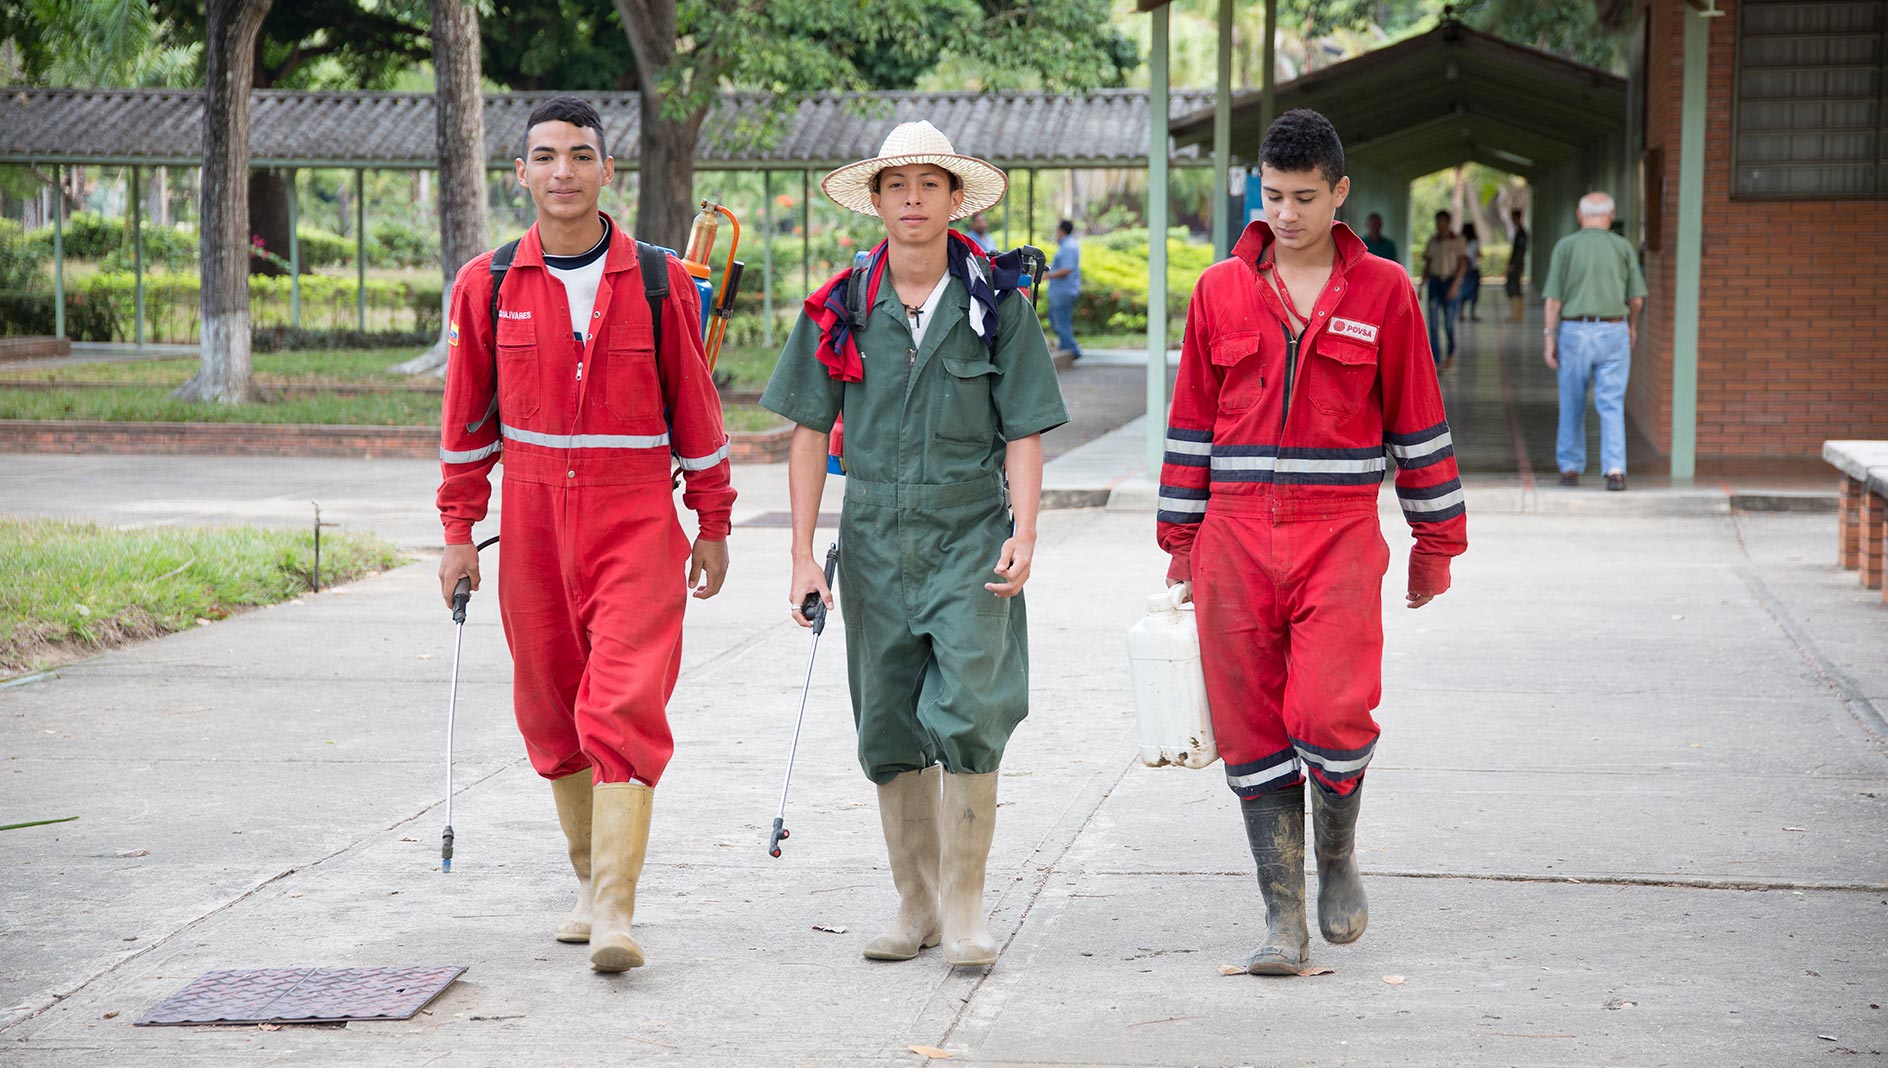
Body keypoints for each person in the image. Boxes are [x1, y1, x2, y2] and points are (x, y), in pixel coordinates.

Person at [1156, 109, 1466, 976]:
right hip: (1233, 537)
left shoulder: (1386, 293)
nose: (1284, 214)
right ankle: (1281, 917)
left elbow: (1419, 423)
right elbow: (1190, 424)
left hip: (1338, 534)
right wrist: (1180, 541)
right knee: (1251, 730)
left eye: (1303, 197)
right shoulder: (1220, 290)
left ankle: (1336, 856)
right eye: (1271, 195)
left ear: (1340, 195)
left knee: (1332, 713)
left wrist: (1433, 543)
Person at [434, 96, 735, 974]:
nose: (561, 170)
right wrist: (460, 533)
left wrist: (711, 522)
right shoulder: (486, 284)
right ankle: (585, 882)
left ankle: (614, 911)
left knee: (622, 703)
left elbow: (698, 413)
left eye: (579, 155)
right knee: (549, 711)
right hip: (528, 526)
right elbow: (464, 427)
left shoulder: (660, 280)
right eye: (544, 156)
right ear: (519, 174)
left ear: (610, 172)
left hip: (635, 516)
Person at [760, 120, 1069, 970]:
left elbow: (1028, 428)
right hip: (872, 542)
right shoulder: (842, 306)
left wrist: (1026, 532)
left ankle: (966, 910)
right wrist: (799, 555)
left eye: (928, 185)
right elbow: (805, 430)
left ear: (954, 198)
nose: (912, 201)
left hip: (970, 534)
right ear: (877, 201)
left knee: (971, 713)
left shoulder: (996, 302)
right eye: (896, 187)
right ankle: (917, 904)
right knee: (888, 723)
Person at [1542, 191, 1646, 492]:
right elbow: (1636, 298)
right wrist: (1632, 326)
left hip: (1574, 331)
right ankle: (1615, 470)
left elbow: (1553, 301)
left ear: (1579, 214)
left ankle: (1570, 468)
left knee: (1571, 401)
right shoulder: (1623, 247)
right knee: (1611, 403)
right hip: (1614, 329)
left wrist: (1550, 338)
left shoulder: (1566, 247)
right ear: (1611, 216)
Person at [1420, 211, 1467, 371]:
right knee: (1433, 324)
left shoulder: (1458, 240)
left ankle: (1450, 353)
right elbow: (1427, 264)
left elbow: (1462, 265)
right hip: (1434, 283)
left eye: (1442, 222)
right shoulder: (1433, 241)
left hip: (1450, 282)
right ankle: (1436, 359)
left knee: (1448, 323)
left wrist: (1455, 285)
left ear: (1448, 222)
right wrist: (1421, 285)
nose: (1439, 225)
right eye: (1437, 222)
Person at [1045, 219, 1082, 360]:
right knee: (1060, 320)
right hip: (1064, 290)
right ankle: (1067, 347)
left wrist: (1047, 276)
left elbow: (1066, 269)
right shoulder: (1068, 245)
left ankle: (1071, 349)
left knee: (1060, 321)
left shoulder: (1068, 247)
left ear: (1061, 230)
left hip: (1063, 290)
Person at [1504, 208, 1528, 318]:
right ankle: (1516, 313)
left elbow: (1520, 251)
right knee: (1514, 287)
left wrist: (1513, 265)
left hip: (1516, 265)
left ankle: (1517, 314)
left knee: (1514, 288)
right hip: (1516, 264)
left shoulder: (1522, 233)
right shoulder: (1519, 232)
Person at [1460, 222, 1483, 322]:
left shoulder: (1461, 242)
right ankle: (1472, 314)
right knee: (1474, 293)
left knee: (1463, 292)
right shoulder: (1475, 242)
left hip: (1464, 270)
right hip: (1473, 270)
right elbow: (1479, 255)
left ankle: (1461, 313)